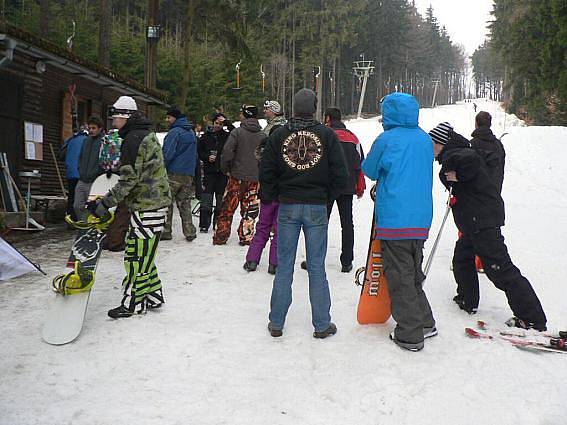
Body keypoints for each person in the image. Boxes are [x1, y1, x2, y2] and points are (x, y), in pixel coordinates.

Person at [430, 122, 547, 331]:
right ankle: (467, 299)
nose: (431, 150)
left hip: (482, 221)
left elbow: (470, 162)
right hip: (474, 221)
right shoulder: (457, 151)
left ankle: (532, 318)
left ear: (441, 143)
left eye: (432, 144)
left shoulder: (457, 153)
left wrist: (458, 176)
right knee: (462, 259)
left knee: (500, 269)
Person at [260, 88, 348, 338]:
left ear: (294, 106)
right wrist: (325, 197)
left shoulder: (279, 135)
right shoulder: (327, 135)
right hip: (316, 206)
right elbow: (340, 175)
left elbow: (267, 170)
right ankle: (322, 324)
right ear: (315, 107)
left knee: (285, 264)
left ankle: (276, 322)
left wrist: (275, 195)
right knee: (317, 266)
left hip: (288, 205)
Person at [362, 92, 436, 352]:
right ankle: (425, 322)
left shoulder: (387, 139)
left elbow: (369, 169)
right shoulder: (425, 139)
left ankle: (410, 333)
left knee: (400, 276)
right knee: (413, 273)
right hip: (420, 218)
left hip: (395, 218)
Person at [87, 95, 171, 319]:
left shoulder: (133, 139)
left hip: (148, 207)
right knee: (142, 254)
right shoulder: (143, 135)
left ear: (125, 117)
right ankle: (153, 296)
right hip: (152, 204)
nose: (113, 122)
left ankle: (132, 303)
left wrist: (103, 204)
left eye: (115, 117)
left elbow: (128, 180)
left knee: (136, 258)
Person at [243, 102, 287, 274]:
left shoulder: (264, 156)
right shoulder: (287, 156)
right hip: (283, 197)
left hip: (267, 196)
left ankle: (252, 260)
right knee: (278, 231)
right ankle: (274, 263)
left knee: (262, 227)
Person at [213, 105, 265, 246]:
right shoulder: (263, 135)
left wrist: (226, 169)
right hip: (255, 179)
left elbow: (227, 153)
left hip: (237, 177)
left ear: (245, 115)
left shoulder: (237, 133)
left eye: (241, 113)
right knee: (250, 209)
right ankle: (246, 237)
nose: (239, 115)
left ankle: (221, 236)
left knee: (227, 208)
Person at [324, 107, 365, 272]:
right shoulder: (353, 137)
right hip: (347, 185)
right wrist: (358, 184)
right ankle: (347, 261)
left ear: (328, 118)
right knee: (347, 224)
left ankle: (316, 258)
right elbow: (361, 161)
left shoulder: (325, 135)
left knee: (320, 224)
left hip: (326, 185)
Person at [161, 107, 198, 241]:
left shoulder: (174, 133)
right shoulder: (190, 132)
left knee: (167, 201)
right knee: (185, 202)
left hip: (173, 173)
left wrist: (161, 167)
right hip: (188, 173)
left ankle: (166, 230)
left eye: (169, 117)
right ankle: (189, 231)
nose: (167, 120)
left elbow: (167, 153)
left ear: (175, 118)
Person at [197, 113, 234, 233]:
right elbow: (199, 151)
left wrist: (227, 122)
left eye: (220, 124)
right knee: (206, 199)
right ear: (212, 123)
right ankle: (204, 224)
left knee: (220, 200)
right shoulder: (206, 136)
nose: (218, 125)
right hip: (209, 171)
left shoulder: (228, 136)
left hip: (222, 172)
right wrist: (207, 157)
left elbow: (235, 131)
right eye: (216, 123)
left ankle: (218, 223)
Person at [73, 116, 105, 221]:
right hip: (82, 178)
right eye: (90, 128)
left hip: (94, 180)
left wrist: (98, 173)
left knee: (92, 207)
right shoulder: (86, 141)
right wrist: (80, 169)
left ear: (100, 129)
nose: (91, 130)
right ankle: (84, 224)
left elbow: (104, 160)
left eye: (94, 128)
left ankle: (91, 227)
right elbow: (81, 157)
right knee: (77, 205)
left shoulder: (103, 142)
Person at [60, 126, 88, 221]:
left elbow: (61, 155)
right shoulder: (87, 140)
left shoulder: (71, 140)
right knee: (82, 197)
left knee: (71, 196)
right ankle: (80, 219)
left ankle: (70, 219)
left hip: (70, 173)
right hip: (81, 173)